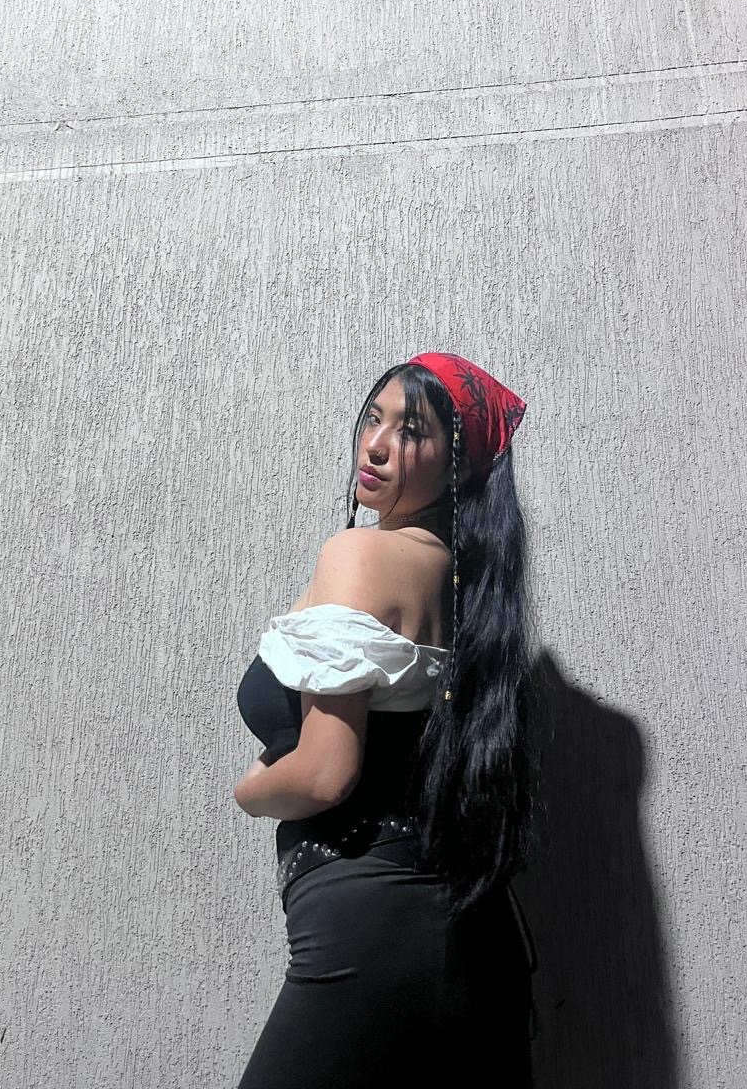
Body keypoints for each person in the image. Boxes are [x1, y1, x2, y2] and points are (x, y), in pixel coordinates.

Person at [234, 350, 544, 1087]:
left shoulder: (361, 555)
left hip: (371, 928)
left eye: (412, 431)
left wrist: (249, 789)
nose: (376, 445)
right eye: (374, 418)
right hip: (473, 933)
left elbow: (324, 774)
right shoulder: (473, 590)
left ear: (459, 467)